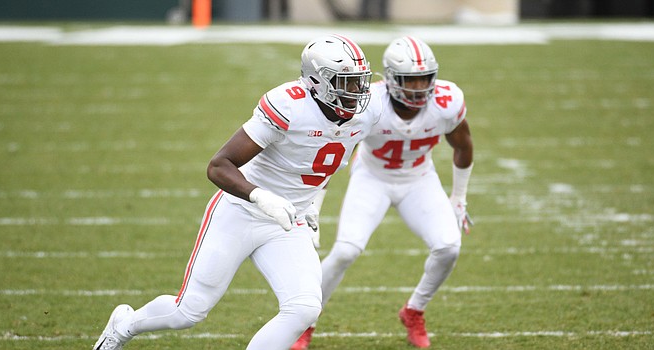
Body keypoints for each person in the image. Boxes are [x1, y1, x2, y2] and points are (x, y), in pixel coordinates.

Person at [92, 34, 381, 350]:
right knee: (189, 310)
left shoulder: (366, 114)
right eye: (347, 83)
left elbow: (323, 166)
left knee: (304, 308)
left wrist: (313, 205)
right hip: (240, 211)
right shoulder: (288, 106)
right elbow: (219, 165)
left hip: (288, 221)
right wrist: (261, 196)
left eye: (359, 82)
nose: (357, 92)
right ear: (317, 81)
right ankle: (123, 326)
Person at [292, 36, 474, 349]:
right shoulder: (370, 105)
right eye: (409, 80)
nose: (418, 88)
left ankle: (414, 310)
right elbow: (332, 156)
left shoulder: (447, 101)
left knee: (448, 247)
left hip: (420, 178)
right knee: (346, 250)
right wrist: (313, 204)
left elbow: (463, 145)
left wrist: (458, 198)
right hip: (372, 177)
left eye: (424, 79)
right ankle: (302, 323)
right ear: (390, 78)